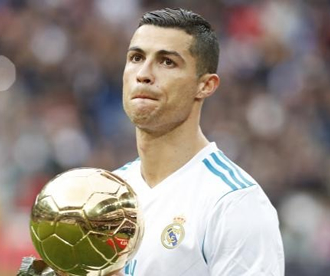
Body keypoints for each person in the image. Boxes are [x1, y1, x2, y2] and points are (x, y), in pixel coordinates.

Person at [113, 7, 285, 276]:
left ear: (205, 85)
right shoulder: (107, 194)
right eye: (136, 57)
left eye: (167, 62)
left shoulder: (234, 204)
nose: (143, 74)